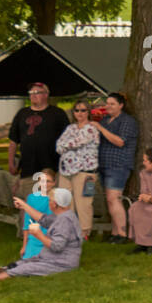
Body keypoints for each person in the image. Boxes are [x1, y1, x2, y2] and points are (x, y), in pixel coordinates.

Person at [0, 188, 83, 280]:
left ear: (55, 204)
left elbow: (57, 246)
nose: (48, 202)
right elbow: (43, 219)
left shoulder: (64, 221)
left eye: (50, 200)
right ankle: (4, 269)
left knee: (26, 268)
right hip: (50, 258)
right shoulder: (63, 214)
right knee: (23, 262)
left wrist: (39, 235)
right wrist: (24, 206)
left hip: (61, 262)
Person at [7, 83, 70, 207]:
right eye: (31, 93)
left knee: (50, 205)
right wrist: (11, 163)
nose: (33, 95)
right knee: (28, 204)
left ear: (46, 95)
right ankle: (27, 226)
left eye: (37, 92)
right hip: (28, 169)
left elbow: (68, 140)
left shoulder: (58, 113)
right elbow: (13, 140)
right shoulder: (22, 113)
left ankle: (49, 226)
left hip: (52, 169)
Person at [94, 92, 140, 243]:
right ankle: (115, 233)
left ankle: (122, 233)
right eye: (107, 103)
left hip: (118, 164)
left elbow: (120, 141)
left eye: (112, 104)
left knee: (114, 198)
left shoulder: (127, 121)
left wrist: (100, 129)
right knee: (109, 200)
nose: (108, 106)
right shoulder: (105, 120)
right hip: (103, 164)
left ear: (121, 105)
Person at [55, 102, 101, 240]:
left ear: (89, 112)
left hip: (86, 172)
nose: (79, 113)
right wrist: (66, 145)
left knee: (85, 203)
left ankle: (84, 232)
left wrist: (66, 145)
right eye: (77, 110)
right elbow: (58, 145)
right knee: (65, 201)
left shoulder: (92, 128)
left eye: (83, 110)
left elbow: (77, 142)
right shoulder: (70, 128)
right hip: (65, 171)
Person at [18, 171, 56, 262]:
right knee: (27, 261)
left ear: (54, 183)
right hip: (35, 237)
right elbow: (27, 223)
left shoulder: (58, 197)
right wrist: (24, 246)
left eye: (48, 181)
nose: (45, 184)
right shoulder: (31, 198)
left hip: (53, 237)